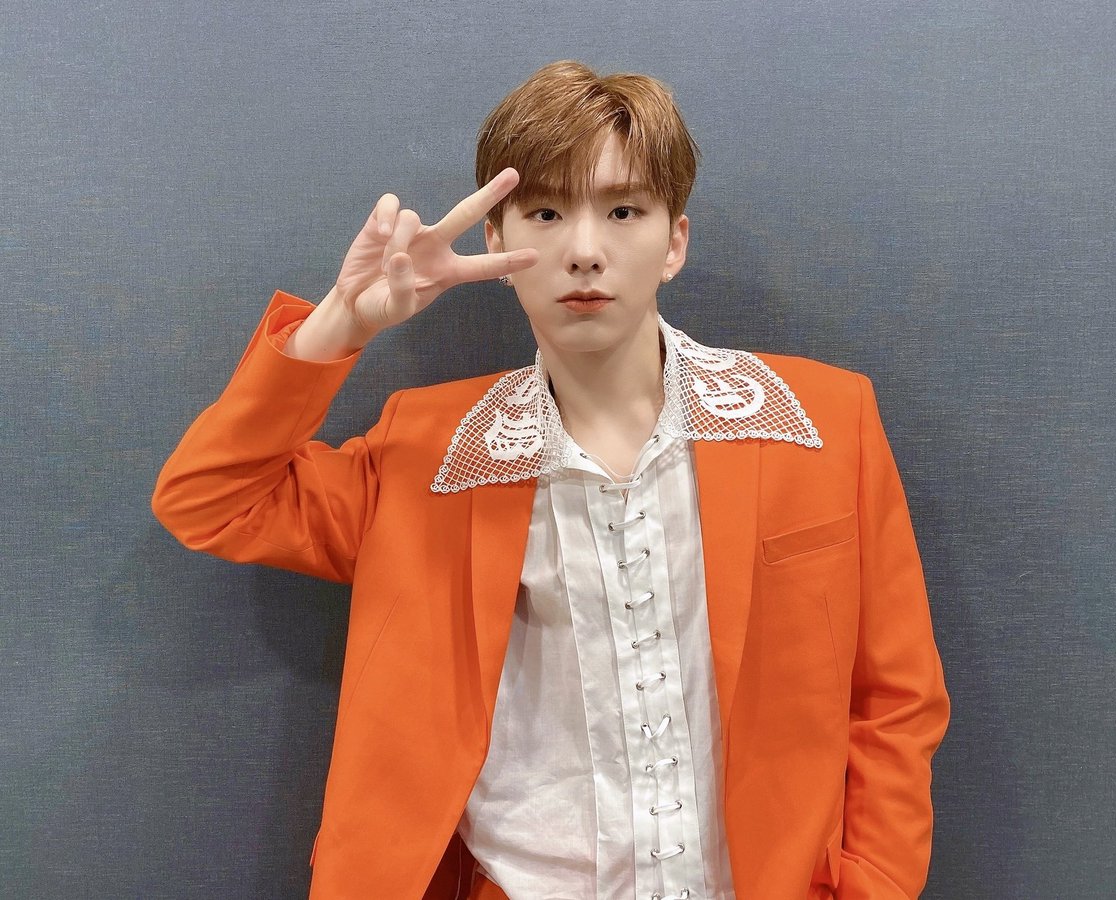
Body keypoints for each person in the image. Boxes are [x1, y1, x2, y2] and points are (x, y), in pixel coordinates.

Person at [153, 60, 950, 900]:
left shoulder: (822, 422)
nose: (584, 252)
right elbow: (212, 500)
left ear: (675, 241)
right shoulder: (429, 452)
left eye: (624, 211)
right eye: (545, 212)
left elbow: (895, 699)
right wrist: (341, 324)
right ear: (497, 246)